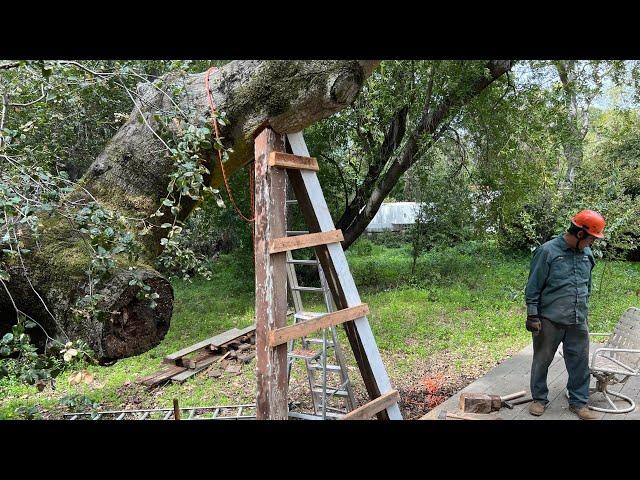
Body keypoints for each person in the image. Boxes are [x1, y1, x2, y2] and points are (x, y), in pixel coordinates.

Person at [524, 209, 606, 420]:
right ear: (580, 234)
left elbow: (587, 284)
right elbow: (533, 286)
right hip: (550, 318)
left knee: (579, 362)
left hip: (578, 318)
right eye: (591, 239)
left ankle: (579, 402)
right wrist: (533, 315)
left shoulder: (587, 254)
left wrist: (584, 310)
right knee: (542, 360)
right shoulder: (547, 252)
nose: (592, 243)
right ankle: (539, 399)